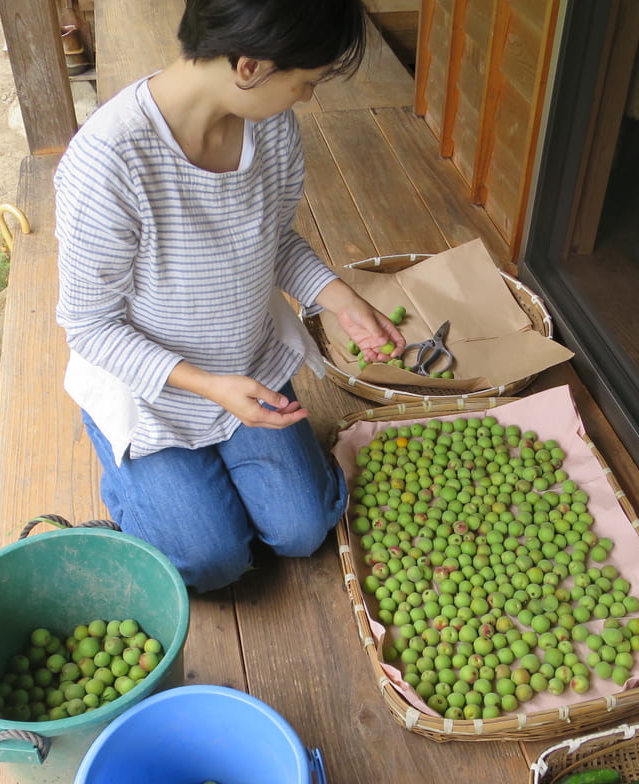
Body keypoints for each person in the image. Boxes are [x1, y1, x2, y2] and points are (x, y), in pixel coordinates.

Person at [53, 0, 403, 593]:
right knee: (208, 562)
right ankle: (132, 467)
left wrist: (338, 296)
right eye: (305, 82)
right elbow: (90, 329)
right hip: (152, 393)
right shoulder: (108, 160)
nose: (307, 98)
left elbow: (275, 237)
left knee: (304, 529)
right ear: (249, 66)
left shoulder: (269, 123)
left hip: (248, 367)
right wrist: (212, 387)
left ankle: (205, 477)